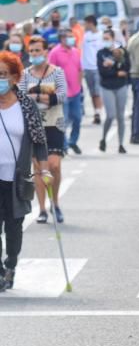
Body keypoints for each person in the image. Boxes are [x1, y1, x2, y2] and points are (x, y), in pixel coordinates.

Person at [0, 52, 51, 292]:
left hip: (17, 179)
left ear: (14, 77)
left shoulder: (26, 106)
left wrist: (44, 168)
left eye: (2, 75)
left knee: (14, 227)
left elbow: (39, 141)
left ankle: (11, 263)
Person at [18, 36, 66, 225]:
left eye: (38, 50)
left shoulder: (57, 72)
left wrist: (37, 96)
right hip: (33, 125)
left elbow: (61, 96)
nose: (35, 54)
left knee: (53, 165)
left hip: (55, 123)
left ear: (46, 52)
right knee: (39, 168)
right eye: (32, 51)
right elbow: (22, 98)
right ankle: (43, 209)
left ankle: (55, 203)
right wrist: (47, 96)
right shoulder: (25, 74)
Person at [47, 28, 83, 155]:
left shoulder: (75, 51)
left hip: (76, 91)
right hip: (62, 93)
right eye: (68, 36)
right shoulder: (54, 53)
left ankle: (73, 141)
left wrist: (79, 85)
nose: (71, 38)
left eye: (71, 36)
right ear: (62, 38)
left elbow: (79, 69)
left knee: (77, 118)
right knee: (64, 120)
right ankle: (64, 145)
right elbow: (50, 72)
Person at [97, 29, 130, 154]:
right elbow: (103, 72)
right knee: (110, 115)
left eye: (107, 38)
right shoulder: (101, 53)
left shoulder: (121, 51)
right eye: (103, 38)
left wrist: (113, 67)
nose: (105, 40)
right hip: (107, 86)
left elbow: (126, 68)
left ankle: (121, 144)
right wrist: (116, 72)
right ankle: (103, 139)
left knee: (120, 116)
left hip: (121, 86)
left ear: (113, 38)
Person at [80, 16, 105, 126]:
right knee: (92, 93)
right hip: (88, 67)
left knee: (98, 91)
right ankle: (96, 111)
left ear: (91, 23)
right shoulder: (85, 36)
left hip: (98, 67)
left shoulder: (101, 35)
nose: (84, 26)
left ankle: (98, 113)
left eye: (86, 23)